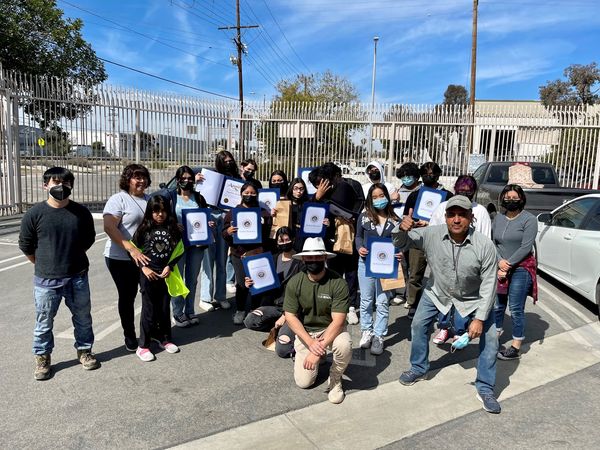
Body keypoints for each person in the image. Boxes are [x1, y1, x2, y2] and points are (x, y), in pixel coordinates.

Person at [393, 196, 501, 414]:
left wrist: (479, 318)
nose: (457, 219)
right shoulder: (431, 233)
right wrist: (401, 228)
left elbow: (490, 284)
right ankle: (419, 367)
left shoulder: (484, 245)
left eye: (462, 214)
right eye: (452, 215)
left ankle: (485, 387)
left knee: (490, 339)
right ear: (446, 217)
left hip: (474, 298)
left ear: (471, 217)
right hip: (437, 292)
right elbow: (401, 242)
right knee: (418, 325)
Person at [19, 167, 99, 380]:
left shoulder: (81, 213)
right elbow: (26, 245)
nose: (60, 187)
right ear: (45, 186)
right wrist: (45, 263)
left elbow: (88, 239)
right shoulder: (34, 214)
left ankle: (84, 351)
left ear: (71, 186)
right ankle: (42, 358)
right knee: (43, 322)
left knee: (83, 318)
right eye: (55, 183)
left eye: (65, 183)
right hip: (46, 280)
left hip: (77, 276)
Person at [283, 237, 352, 404]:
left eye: (317, 257)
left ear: (325, 258)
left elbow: (339, 321)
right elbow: (290, 316)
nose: (313, 260)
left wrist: (316, 349)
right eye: (309, 257)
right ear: (304, 259)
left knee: (344, 345)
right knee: (303, 383)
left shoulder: (338, 282)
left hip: (331, 329)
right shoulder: (295, 282)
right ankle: (319, 356)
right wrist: (310, 343)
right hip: (306, 332)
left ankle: (335, 378)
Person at [429, 175, 492, 346]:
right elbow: (432, 233)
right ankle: (444, 327)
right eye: (461, 189)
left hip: (468, 264)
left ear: (474, 192)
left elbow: (485, 237)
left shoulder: (480, 211)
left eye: (468, 190)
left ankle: (460, 329)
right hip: (444, 262)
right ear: (455, 189)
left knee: (462, 299)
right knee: (444, 296)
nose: (464, 193)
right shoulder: (443, 207)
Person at [103, 163, 152, 352]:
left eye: (143, 177)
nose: (141, 180)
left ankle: (150, 331)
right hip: (120, 258)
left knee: (150, 295)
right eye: (136, 177)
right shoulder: (119, 199)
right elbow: (109, 227)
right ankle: (130, 335)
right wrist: (131, 249)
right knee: (128, 296)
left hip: (146, 258)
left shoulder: (150, 199)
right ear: (127, 180)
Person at [132, 195, 184, 362]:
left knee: (163, 308)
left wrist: (170, 266)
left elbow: (179, 250)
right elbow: (133, 250)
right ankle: (143, 346)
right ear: (150, 212)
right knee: (148, 310)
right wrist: (144, 267)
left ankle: (165, 339)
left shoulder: (173, 228)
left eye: (163, 211)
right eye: (156, 211)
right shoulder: (143, 229)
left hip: (165, 275)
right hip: (148, 276)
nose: (160, 214)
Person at [309, 164, 361, 326]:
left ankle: (351, 306)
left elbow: (360, 205)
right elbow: (311, 214)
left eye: (323, 181)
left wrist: (353, 218)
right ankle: (337, 305)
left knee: (351, 272)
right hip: (330, 240)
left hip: (349, 236)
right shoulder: (319, 195)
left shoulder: (350, 186)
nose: (322, 186)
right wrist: (318, 198)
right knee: (333, 272)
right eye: (317, 184)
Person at [402, 162, 453, 319]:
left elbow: (453, 220)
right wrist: (412, 221)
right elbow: (406, 217)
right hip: (418, 239)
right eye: (425, 175)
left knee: (441, 275)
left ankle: (442, 307)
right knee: (415, 274)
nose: (428, 177)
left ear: (438, 175)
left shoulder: (448, 196)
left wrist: (431, 223)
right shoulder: (414, 195)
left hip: (439, 241)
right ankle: (413, 303)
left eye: (431, 174)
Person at [493, 184, 538, 360]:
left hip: (521, 267)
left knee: (516, 308)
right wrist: (499, 262)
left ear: (522, 199)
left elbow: (526, 247)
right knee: (498, 305)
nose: (511, 201)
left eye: (515, 198)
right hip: (501, 265)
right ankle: (494, 337)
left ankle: (516, 345)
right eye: (507, 197)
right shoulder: (498, 218)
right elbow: (493, 242)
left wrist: (508, 264)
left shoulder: (529, 219)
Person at [355, 183, 401, 355]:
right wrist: (359, 248)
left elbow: (401, 242)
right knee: (366, 300)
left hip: (387, 267)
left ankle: (379, 335)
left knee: (382, 301)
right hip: (366, 263)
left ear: (387, 197)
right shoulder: (364, 217)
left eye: (381, 196)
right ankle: (366, 331)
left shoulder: (395, 220)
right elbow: (358, 236)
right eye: (374, 197)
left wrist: (400, 254)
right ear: (369, 199)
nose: (378, 200)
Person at [243, 227, 303, 358]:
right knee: (250, 320)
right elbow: (263, 285)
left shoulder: (301, 262)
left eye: (287, 240)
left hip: (294, 310)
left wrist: (286, 316)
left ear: (293, 240)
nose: (284, 243)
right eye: (281, 241)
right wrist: (251, 284)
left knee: (283, 350)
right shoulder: (272, 260)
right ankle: (282, 328)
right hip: (275, 307)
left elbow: (302, 295)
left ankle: (292, 330)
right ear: (276, 242)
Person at [166, 165, 213, 328]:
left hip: (196, 245)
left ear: (194, 180)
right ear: (178, 180)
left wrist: (209, 224)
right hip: (177, 245)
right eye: (183, 178)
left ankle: (190, 310)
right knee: (178, 280)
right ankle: (178, 313)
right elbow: (163, 218)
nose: (186, 181)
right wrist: (173, 225)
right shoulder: (171, 197)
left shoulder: (199, 198)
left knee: (192, 280)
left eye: (189, 178)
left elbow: (205, 218)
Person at [223, 182, 273, 324]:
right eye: (246, 193)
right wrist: (228, 231)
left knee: (257, 282)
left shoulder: (263, 212)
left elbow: (269, 233)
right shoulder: (233, 212)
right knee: (241, 284)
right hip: (239, 254)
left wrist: (269, 219)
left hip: (257, 253)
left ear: (257, 195)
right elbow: (223, 233)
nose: (249, 196)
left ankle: (254, 309)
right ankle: (240, 310)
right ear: (241, 194)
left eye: (252, 193)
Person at [197, 150, 237, 312]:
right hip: (211, 217)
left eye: (230, 161)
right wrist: (196, 181)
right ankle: (205, 298)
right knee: (208, 262)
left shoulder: (235, 179)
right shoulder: (210, 176)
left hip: (226, 218)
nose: (228, 163)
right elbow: (197, 196)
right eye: (225, 161)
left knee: (221, 259)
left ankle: (220, 296)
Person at [285, 177, 309, 252]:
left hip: (303, 237)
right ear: (291, 189)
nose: (299, 191)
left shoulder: (307, 204)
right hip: (289, 235)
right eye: (295, 188)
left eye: (301, 189)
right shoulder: (285, 203)